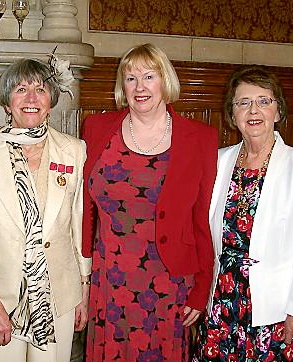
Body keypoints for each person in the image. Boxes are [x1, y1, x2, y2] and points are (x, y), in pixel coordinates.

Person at [81, 43, 218, 361]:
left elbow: (203, 219)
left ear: (164, 81)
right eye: (130, 78)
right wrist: (82, 275)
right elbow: (85, 208)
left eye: (148, 76)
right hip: (109, 280)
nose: (139, 86)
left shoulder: (200, 138)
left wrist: (201, 290)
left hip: (167, 283)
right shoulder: (97, 128)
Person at [194, 65, 293, 361]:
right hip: (222, 300)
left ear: (278, 111)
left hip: (275, 307)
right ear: (233, 113)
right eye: (244, 102)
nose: (254, 110)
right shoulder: (217, 161)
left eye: (264, 101)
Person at [0, 57, 91, 362]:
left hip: (59, 296)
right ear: (7, 103)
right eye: (21, 89)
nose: (32, 98)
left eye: (40, 89)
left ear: (51, 100)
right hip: (1, 299)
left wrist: (83, 292)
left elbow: (79, 224)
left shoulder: (73, 150)